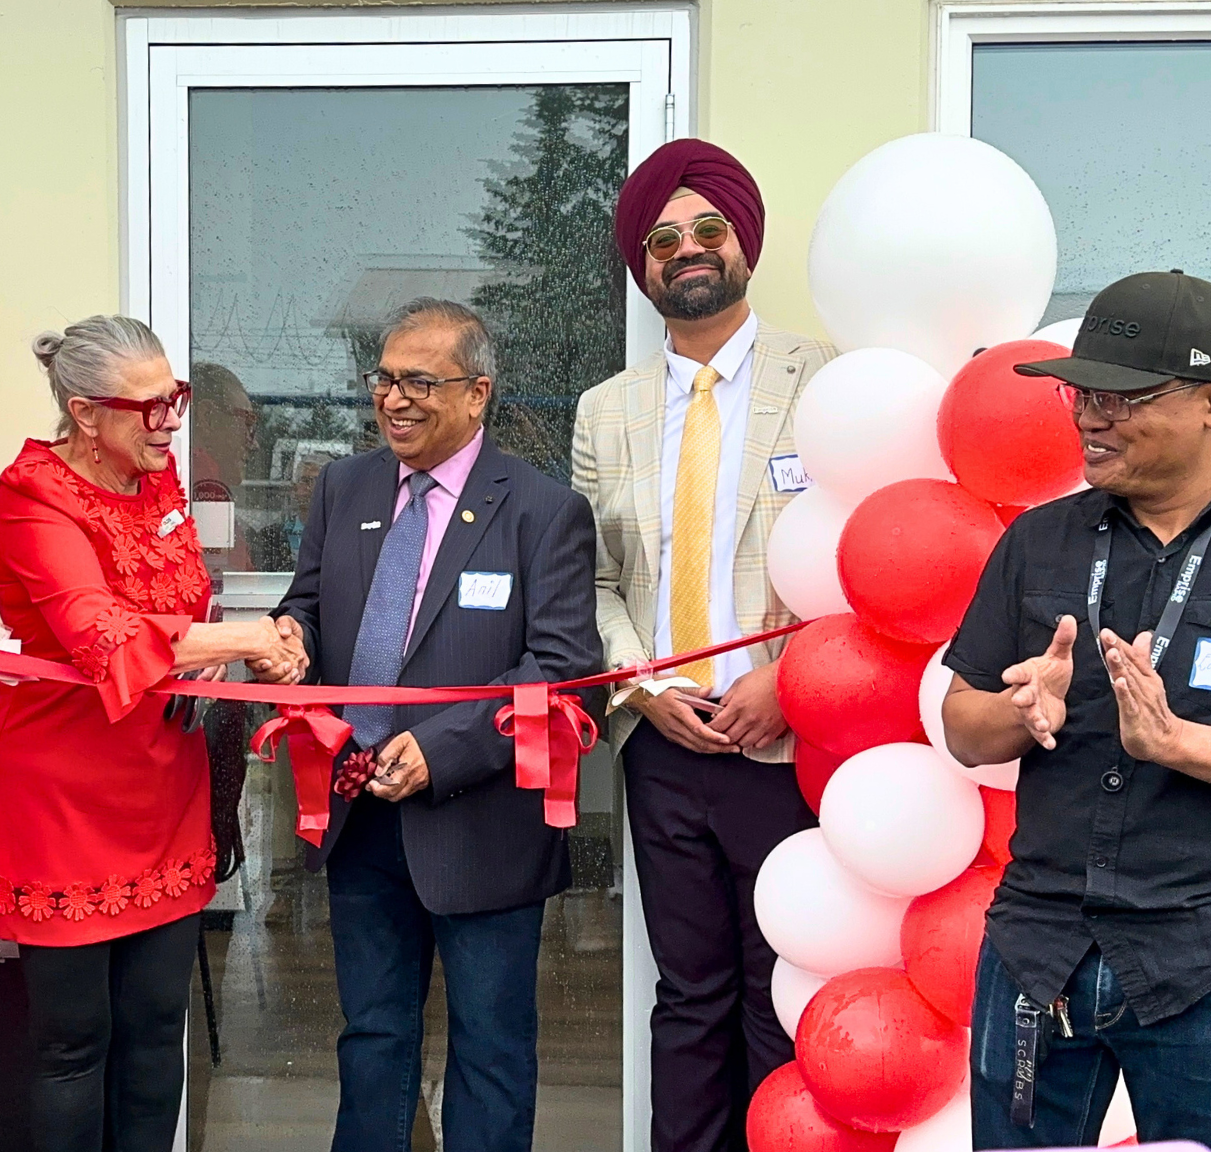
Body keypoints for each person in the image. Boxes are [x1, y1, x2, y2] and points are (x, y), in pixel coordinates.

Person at [942, 270, 1211, 1152]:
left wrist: (1176, 742)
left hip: (1207, 962)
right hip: (1038, 954)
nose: (1090, 416)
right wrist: (1018, 712)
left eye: (1124, 396)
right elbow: (962, 727)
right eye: (1082, 392)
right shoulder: (1038, 541)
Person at [0, 315, 305, 1152]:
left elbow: (183, 609)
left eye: (176, 399)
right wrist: (244, 640)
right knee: (73, 1041)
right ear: (85, 413)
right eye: (150, 407)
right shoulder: (33, 493)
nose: (172, 422)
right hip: (62, 796)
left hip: (165, 782)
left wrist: (238, 648)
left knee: (158, 1028)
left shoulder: (156, 480)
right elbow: (100, 630)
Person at [275, 298, 601, 1152]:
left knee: (491, 1052)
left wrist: (444, 749)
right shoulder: (343, 487)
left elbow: (564, 670)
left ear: (478, 392)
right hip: (360, 815)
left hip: (481, 825)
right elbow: (305, 603)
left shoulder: (542, 509)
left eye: (420, 381)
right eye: (384, 379)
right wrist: (286, 639)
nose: (395, 399)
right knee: (372, 1042)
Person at [571, 138, 835, 1152]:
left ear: (741, 244)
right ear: (642, 269)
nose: (686, 249)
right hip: (665, 746)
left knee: (784, 987)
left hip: (787, 739)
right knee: (688, 993)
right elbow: (593, 580)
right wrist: (640, 692)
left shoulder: (826, 380)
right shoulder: (608, 410)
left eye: (705, 230)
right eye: (661, 239)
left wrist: (788, 679)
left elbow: (858, 563)